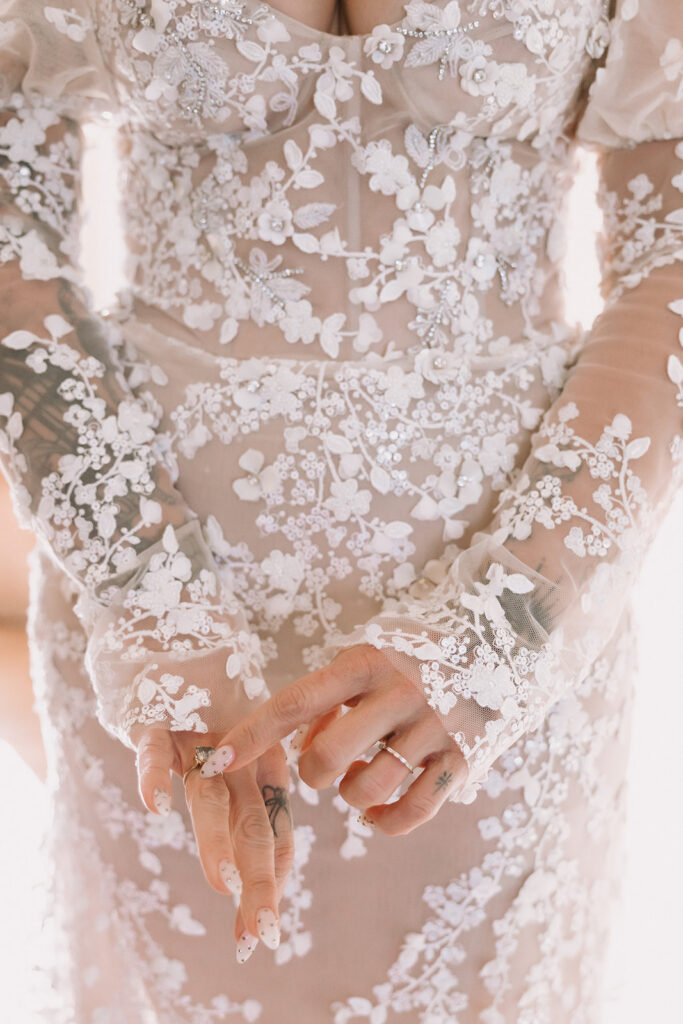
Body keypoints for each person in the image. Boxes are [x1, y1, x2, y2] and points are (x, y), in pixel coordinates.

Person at [0, 0, 681, 1020]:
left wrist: (497, 631)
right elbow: (14, 218)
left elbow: (667, 250)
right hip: (157, 628)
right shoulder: (155, 620)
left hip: (507, 625)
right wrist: (156, 605)